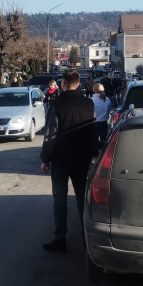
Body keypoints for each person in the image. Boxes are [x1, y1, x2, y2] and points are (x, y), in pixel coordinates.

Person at [40, 71, 98, 254]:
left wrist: (45, 159)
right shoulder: (88, 104)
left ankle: (60, 239)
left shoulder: (58, 104)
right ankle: (86, 240)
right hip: (82, 160)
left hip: (60, 160)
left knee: (60, 199)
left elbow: (50, 134)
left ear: (63, 84)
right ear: (78, 84)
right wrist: (94, 156)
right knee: (82, 200)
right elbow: (92, 132)